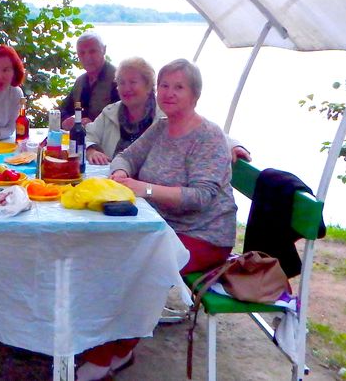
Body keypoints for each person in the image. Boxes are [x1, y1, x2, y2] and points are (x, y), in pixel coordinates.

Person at [75, 59, 238, 381]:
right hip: (158, 225)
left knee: (135, 269)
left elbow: (202, 196)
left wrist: (144, 188)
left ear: (195, 94)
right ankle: (108, 345)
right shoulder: (162, 127)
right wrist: (120, 172)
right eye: (164, 85)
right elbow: (127, 155)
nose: (169, 93)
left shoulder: (208, 137)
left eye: (179, 87)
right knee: (103, 253)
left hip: (203, 235)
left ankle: (108, 354)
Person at [85, 57, 251, 166]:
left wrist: (233, 145)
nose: (126, 88)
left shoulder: (166, 113)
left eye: (132, 82)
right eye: (121, 83)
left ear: (149, 86)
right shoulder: (111, 112)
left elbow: (202, 128)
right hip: (120, 180)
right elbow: (88, 135)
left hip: (148, 188)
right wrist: (91, 150)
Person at [60, 32, 120, 130]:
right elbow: (62, 110)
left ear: (104, 50)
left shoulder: (119, 80)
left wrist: (94, 124)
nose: (87, 57)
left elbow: (124, 118)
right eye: (82, 53)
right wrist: (66, 121)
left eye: (92, 51)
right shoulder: (80, 81)